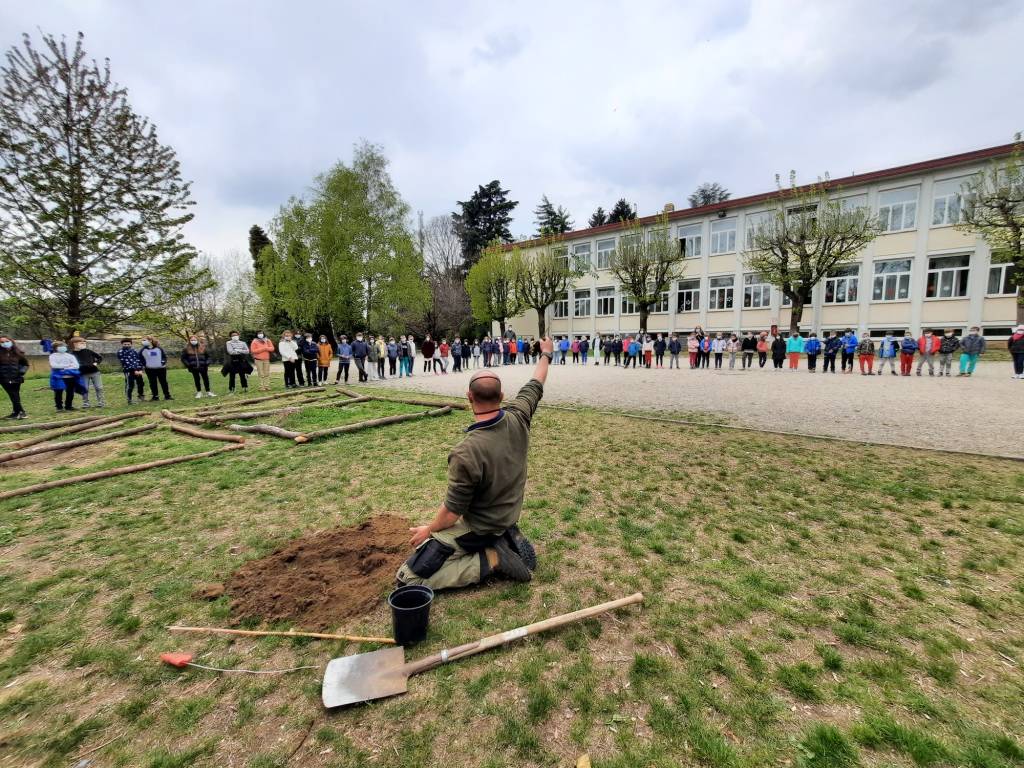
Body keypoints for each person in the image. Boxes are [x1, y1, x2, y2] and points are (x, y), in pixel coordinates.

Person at [396, 337, 554, 591]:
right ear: (502, 396)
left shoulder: (466, 452)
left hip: (481, 527)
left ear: (468, 396)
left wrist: (429, 529)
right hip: (506, 515)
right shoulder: (520, 415)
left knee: (409, 578)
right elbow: (536, 382)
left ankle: (492, 558)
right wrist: (546, 353)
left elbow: (451, 513)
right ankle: (503, 537)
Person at [0, 335, 29, 419]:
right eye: (2, 342)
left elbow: (25, 364)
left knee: (15, 395)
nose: (5, 343)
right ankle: (16, 412)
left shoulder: (18, 353)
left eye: (6, 341)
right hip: (4, 378)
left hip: (16, 378)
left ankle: (21, 412)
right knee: (12, 395)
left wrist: (21, 372)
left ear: (11, 341)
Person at [49, 341, 83, 411]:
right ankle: (59, 407)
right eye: (61, 346)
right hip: (59, 377)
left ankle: (68, 406)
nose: (63, 347)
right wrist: (68, 366)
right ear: (56, 348)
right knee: (58, 392)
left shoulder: (70, 356)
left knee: (70, 392)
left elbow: (76, 366)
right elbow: (54, 365)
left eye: (64, 346)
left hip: (70, 377)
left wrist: (62, 368)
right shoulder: (52, 356)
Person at [72, 336, 105, 408]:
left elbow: (100, 357)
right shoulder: (72, 354)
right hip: (82, 374)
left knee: (99, 387)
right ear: (75, 344)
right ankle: (86, 403)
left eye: (84, 343)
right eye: (81, 343)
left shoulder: (88, 351)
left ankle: (101, 402)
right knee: (85, 388)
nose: (83, 344)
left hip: (94, 372)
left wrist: (96, 363)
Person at [141, 336, 172, 401]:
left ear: (150, 341)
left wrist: (162, 362)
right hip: (150, 369)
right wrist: (144, 364)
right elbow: (140, 358)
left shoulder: (159, 348)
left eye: (145, 340)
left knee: (163, 382)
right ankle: (155, 396)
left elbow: (164, 357)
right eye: (143, 340)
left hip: (161, 369)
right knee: (152, 383)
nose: (143, 342)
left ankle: (167, 396)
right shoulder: (143, 350)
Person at [117, 338, 146, 404]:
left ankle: (141, 396)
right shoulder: (120, 352)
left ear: (131, 344)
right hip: (129, 371)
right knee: (130, 385)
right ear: (122, 344)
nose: (127, 345)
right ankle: (129, 399)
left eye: (128, 344)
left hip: (138, 371)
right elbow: (125, 362)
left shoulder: (134, 351)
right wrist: (134, 370)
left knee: (141, 384)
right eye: (125, 344)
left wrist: (140, 369)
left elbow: (138, 360)